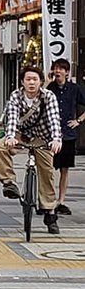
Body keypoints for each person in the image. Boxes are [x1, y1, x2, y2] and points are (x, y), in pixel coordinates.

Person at [0, 66, 62, 235]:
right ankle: (9, 183)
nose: (31, 82)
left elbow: (54, 119)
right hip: (21, 135)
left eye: (35, 79)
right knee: (0, 147)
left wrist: (56, 139)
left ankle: (50, 212)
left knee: (47, 172)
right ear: (22, 82)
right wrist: (10, 137)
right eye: (28, 79)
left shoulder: (48, 96)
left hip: (43, 137)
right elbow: (12, 118)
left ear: (41, 82)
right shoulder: (16, 96)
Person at [47, 58, 85, 216]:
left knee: (64, 169)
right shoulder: (50, 88)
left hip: (68, 135)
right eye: (55, 68)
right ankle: (47, 200)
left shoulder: (75, 89)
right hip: (50, 135)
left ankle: (61, 201)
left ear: (67, 72)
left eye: (61, 69)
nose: (57, 71)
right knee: (47, 168)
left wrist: (78, 121)